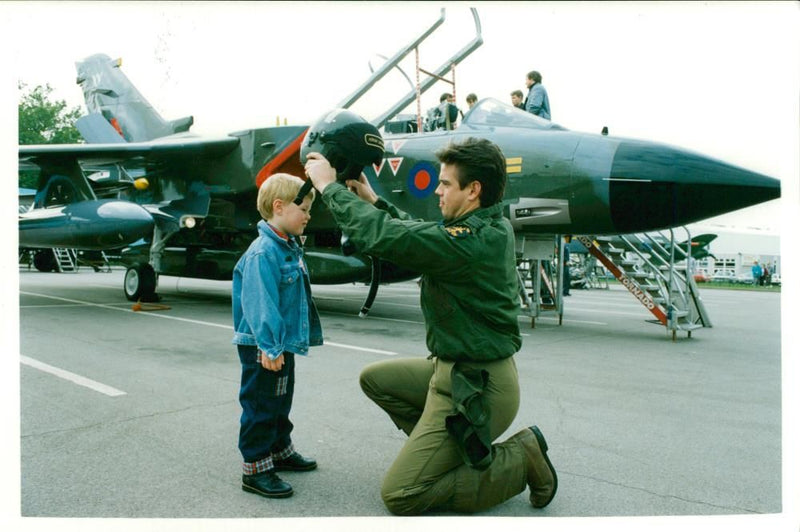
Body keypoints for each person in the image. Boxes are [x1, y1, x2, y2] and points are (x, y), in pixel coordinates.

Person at [305, 135, 557, 516]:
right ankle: (450, 449)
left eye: (445, 184)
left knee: (402, 494)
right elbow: (419, 236)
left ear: (473, 190)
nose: (437, 191)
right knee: (375, 379)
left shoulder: (470, 241)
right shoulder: (481, 228)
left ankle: (520, 459)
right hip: (451, 373)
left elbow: (393, 238)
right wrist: (373, 201)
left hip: (478, 389)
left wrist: (328, 187)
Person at [231, 173, 323, 499]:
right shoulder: (264, 252)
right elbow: (260, 303)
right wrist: (269, 346)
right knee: (261, 403)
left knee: (281, 398)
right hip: (262, 344)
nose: (309, 215)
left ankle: (279, 449)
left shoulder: (287, 247)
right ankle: (255, 466)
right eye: (304, 208)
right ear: (279, 207)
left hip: (279, 343)